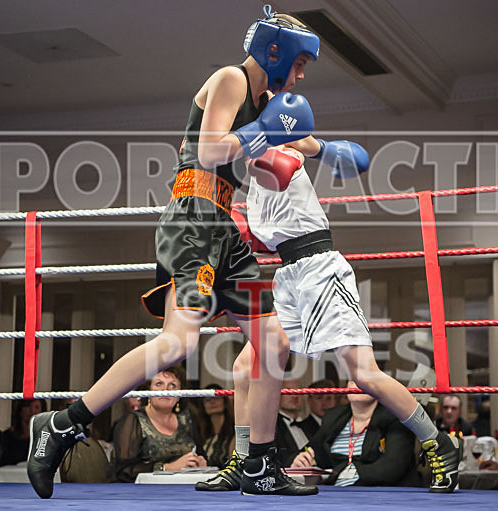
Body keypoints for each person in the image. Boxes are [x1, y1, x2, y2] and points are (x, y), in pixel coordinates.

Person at [27, 4, 321, 498]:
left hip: (224, 232)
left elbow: (295, 136)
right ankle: (62, 423)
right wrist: (267, 131)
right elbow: (209, 151)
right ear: (276, 51)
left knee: (274, 342)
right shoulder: (230, 78)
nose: (300, 75)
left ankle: (260, 465)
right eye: (298, 63)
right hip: (192, 223)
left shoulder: (269, 100)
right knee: (177, 344)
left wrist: (328, 149)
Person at [195, 144, 460, 493]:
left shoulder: (279, 150)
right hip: (288, 275)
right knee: (246, 368)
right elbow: (269, 237)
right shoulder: (253, 183)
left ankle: (438, 443)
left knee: (363, 374)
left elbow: (286, 161)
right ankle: (246, 461)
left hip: (321, 268)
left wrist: (301, 143)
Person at [290, 381, 421, 487]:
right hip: (335, 495)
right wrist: (298, 463)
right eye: (353, 380)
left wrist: (343, 473)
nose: (358, 384)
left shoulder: (396, 416)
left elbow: (393, 467)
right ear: (347, 386)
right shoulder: (334, 416)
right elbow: (311, 449)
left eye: (364, 380)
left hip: (384, 496)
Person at [113, 366, 206, 482]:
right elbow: (124, 471)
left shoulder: (187, 418)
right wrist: (168, 468)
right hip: (144, 493)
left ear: (179, 396)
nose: (165, 390)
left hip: (187, 488)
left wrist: (201, 462)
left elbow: (200, 453)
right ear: (148, 391)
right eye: (159, 384)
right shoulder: (133, 420)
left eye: (173, 385)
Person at [274, 379, 316, 466]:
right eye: (288, 391)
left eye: (298, 391)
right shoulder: (272, 427)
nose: (294, 395)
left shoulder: (311, 426)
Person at [197, 383, 235, 468]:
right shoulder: (202, 434)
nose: (212, 402)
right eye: (207, 400)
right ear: (203, 406)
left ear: (224, 402)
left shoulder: (234, 434)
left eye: (217, 398)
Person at [1, 399, 44, 466]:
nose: (32, 411)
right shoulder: (7, 437)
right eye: (28, 406)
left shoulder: (45, 437)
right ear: (20, 410)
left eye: (37, 407)